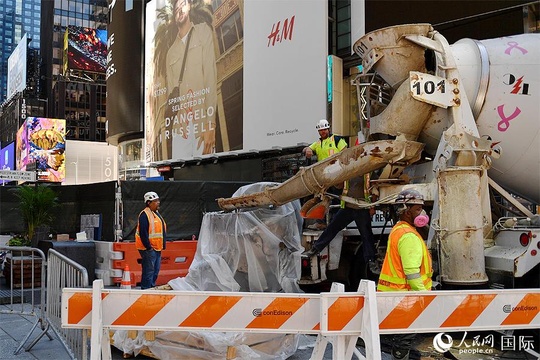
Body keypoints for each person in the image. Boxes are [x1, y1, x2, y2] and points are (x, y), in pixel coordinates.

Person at [377, 189, 433, 360]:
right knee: (404, 341)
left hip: (395, 296)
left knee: (401, 338)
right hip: (406, 298)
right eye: (417, 209)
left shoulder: (398, 229)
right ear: (407, 212)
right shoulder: (409, 236)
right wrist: (424, 295)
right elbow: (411, 273)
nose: (422, 213)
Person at [301, 174, 380, 286]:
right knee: (332, 228)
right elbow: (339, 187)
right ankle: (316, 248)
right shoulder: (349, 171)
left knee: (366, 236)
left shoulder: (368, 172)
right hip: (348, 207)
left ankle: (371, 261)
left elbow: (374, 189)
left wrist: (373, 206)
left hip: (362, 208)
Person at [164, 0, 217, 159]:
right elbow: (172, 94)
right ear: (174, 17)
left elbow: (210, 77)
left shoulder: (203, 32)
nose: (180, 10)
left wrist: (210, 124)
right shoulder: (170, 53)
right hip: (181, 130)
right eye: (176, 9)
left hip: (202, 123)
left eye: (183, 5)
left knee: (206, 176)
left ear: (190, 7)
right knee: (181, 179)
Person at [303, 119, 348, 230]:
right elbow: (307, 149)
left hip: (337, 174)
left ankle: (337, 223)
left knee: (337, 198)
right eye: (320, 130)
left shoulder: (337, 139)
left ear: (328, 129)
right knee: (322, 199)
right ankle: (321, 222)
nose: (322, 132)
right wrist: (307, 149)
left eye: (324, 130)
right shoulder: (318, 143)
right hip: (324, 177)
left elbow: (345, 152)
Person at [135, 191, 167, 289]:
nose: (158, 203)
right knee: (149, 271)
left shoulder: (156, 214)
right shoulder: (145, 215)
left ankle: (151, 289)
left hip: (157, 248)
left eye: (158, 200)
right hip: (149, 249)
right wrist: (148, 247)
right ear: (149, 203)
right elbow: (143, 233)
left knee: (155, 270)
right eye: (155, 201)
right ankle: (146, 290)